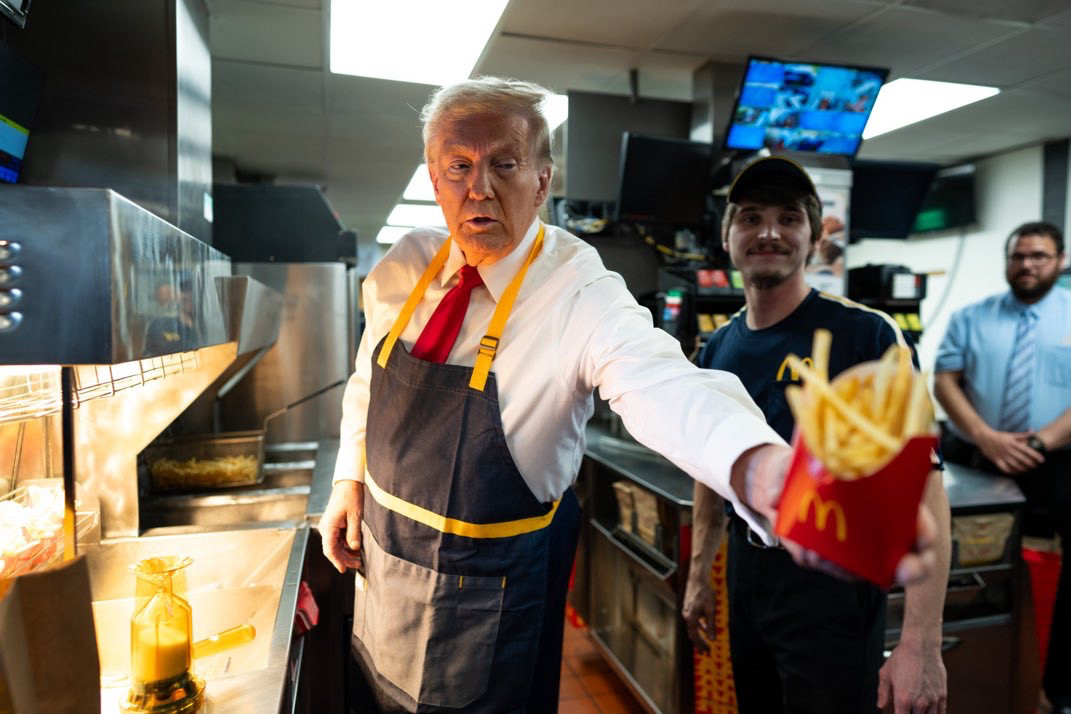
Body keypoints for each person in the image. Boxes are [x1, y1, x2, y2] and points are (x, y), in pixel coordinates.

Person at [317, 78, 935, 713]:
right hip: (383, 575)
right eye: (458, 165)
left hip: (488, 605)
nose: (479, 187)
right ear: (434, 175)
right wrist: (347, 480)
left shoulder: (578, 286)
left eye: (504, 163)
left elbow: (661, 383)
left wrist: (762, 469)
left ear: (541, 179)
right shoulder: (405, 266)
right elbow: (369, 378)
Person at [683, 156, 951, 714]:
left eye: (789, 218)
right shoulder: (718, 348)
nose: (770, 232)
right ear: (728, 236)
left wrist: (920, 644)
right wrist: (700, 574)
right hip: (747, 569)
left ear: (813, 236)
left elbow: (925, 491)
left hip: (834, 584)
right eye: (751, 217)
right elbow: (709, 468)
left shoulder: (865, 334)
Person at [933, 221, 1071, 712]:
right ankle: (974, 671)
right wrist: (988, 438)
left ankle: (1048, 688)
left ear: (1059, 260)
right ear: (1007, 261)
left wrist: (1037, 442)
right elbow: (945, 379)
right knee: (977, 571)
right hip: (979, 462)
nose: (1027, 265)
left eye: (1039, 256)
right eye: (1019, 256)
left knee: (1050, 582)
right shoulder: (972, 317)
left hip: (1055, 466)